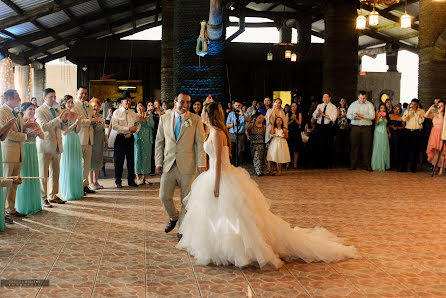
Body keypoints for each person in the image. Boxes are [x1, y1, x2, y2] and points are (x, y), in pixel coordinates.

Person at [177, 101, 358, 269]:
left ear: (209, 115)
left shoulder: (217, 134)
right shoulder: (213, 131)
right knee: (216, 215)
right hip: (216, 175)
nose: (201, 114)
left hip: (221, 177)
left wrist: (216, 186)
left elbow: (217, 163)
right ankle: (216, 244)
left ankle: (239, 249)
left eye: (203, 112)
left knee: (233, 215)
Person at [155, 92, 206, 241]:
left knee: (186, 200)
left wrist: (201, 163)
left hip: (188, 165)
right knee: (164, 196)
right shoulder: (164, 118)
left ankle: (182, 228)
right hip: (169, 164)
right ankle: (174, 216)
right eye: (183, 102)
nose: (186, 105)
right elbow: (159, 142)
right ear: (175, 101)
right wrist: (158, 162)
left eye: (188, 103)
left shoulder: (195, 120)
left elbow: (200, 144)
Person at [0, 90, 40, 220]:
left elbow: (18, 128)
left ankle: (11, 209)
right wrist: (26, 136)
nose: (19, 98)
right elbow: (8, 134)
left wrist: (27, 125)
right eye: (17, 97)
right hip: (9, 152)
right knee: (6, 182)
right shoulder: (2, 112)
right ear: (10, 98)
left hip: (19, 151)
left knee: (15, 182)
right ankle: (2, 212)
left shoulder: (16, 112)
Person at [35, 90, 69, 208]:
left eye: (55, 97)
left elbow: (63, 127)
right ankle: (43, 198)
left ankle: (53, 195)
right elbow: (44, 127)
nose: (54, 99)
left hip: (57, 145)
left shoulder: (56, 110)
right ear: (44, 98)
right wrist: (59, 118)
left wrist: (64, 120)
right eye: (51, 97)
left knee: (56, 172)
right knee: (43, 174)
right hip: (45, 145)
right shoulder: (39, 111)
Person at [15, 102, 44, 215]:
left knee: (33, 176)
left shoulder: (34, 123)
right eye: (30, 109)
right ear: (23, 111)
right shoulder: (20, 122)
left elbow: (42, 136)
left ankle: (34, 203)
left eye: (33, 109)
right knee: (24, 175)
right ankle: (22, 205)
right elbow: (17, 134)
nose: (32, 111)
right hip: (23, 149)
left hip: (33, 151)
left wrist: (37, 129)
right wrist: (26, 127)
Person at [111, 93, 140, 188]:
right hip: (120, 138)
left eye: (129, 100)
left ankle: (131, 180)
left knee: (131, 160)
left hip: (130, 138)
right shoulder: (116, 113)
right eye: (126, 100)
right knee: (119, 161)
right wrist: (128, 128)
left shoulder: (133, 113)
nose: (128, 102)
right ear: (121, 102)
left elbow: (138, 123)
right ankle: (118, 181)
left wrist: (136, 129)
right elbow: (115, 126)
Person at [59, 96, 84, 200]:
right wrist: (74, 124)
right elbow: (64, 132)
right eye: (68, 102)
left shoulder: (76, 114)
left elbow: (78, 131)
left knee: (75, 165)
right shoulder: (62, 116)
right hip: (66, 141)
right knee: (67, 164)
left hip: (75, 140)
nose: (70, 104)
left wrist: (78, 123)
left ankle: (76, 191)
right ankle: (67, 191)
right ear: (64, 103)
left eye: (72, 102)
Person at [73, 86, 95, 195]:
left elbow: (92, 116)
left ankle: (85, 185)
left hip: (89, 137)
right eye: (81, 93)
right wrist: (91, 120)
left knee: (87, 164)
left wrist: (95, 120)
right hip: (80, 137)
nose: (83, 96)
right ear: (77, 93)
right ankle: (77, 185)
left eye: (85, 94)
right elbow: (78, 120)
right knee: (79, 164)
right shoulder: (74, 105)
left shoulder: (89, 105)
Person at [0, 118, 22, 226]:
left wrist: (7, 127)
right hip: (7, 152)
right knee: (4, 183)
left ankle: (8, 210)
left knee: (8, 181)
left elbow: (2, 137)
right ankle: (3, 213)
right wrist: (7, 125)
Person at [347, 91, 375, 171]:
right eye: (361, 98)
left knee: (367, 147)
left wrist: (362, 116)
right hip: (355, 127)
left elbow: (372, 116)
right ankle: (353, 164)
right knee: (354, 146)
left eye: (364, 98)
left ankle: (367, 165)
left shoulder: (370, 104)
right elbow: (348, 115)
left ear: (366, 97)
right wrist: (354, 117)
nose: (362, 100)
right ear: (358, 97)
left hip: (366, 128)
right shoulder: (353, 104)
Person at [312, 93, 337, 168]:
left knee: (328, 145)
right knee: (319, 144)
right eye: (324, 97)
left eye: (327, 97)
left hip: (328, 127)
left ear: (330, 98)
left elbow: (333, 118)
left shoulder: (333, 107)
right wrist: (318, 115)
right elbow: (314, 115)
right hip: (319, 126)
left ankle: (328, 163)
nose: (325, 99)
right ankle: (319, 163)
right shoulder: (320, 106)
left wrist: (324, 115)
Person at [401, 98, 425, 173]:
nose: (413, 106)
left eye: (415, 104)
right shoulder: (407, 110)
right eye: (412, 104)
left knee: (415, 150)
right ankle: (404, 167)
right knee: (405, 150)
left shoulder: (421, 111)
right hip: (408, 131)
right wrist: (408, 111)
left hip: (417, 132)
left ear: (418, 104)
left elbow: (420, 121)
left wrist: (415, 113)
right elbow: (403, 119)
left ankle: (413, 167)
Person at [134, 102, 155, 185]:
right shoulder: (135, 116)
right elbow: (133, 125)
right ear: (136, 108)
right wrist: (139, 120)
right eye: (138, 107)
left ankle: (144, 177)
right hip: (138, 139)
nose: (140, 108)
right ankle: (137, 177)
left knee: (146, 158)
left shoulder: (149, 116)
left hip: (147, 140)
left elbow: (152, 125)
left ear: (144, 108)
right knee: (137, 157)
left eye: (141, 106)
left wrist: (146, 121)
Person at [89, 98, 106, 190]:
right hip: (92, 142)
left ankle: (96, 181)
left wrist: (106, 141)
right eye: (94, 106)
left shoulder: (101, 116)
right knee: (91, 162)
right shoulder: (90, 117)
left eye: (97, 106)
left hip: (100, 142)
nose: (96, 108)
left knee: (98, 161)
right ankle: (91, 182)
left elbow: (104, 130)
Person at [425, 100, 446, 175]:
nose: (440, 107)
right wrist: (431, 108)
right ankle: (436, 166)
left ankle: (442, 168)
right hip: (434, 133)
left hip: (442, 133)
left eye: (441, 105)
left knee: (442, 151)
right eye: (438, 105)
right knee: (435, 150)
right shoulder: (435, 113)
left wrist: (441, 113)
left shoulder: (444, 115)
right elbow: (425, 116)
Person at [226, 100, 250, 165]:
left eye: (239, 105)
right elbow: (227, 125)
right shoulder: (231, 114)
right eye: (236, 105)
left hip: (241, 135)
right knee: (231, 150)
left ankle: (240, 164)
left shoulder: (245, 113)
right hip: (232, 134)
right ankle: (231, 164)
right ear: (233, 106)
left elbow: (248, 120)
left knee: (241, 150)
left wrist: (242, 114)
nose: (237, 107)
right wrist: (234, 124)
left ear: (241, 105)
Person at [371, 104, 391, 172]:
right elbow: (376, 123)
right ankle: (377, 165)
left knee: (384, 147)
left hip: (384, 132)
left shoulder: (386, 115)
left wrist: (389, 132)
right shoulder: (377, 114)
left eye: (384, 108)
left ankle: (384, 164)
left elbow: (386, 125)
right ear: (379, 109)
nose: (383, 109)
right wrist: (378, 116)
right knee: (378, 147)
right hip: (378, 132)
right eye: (381, 108)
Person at [246, 112, 266, 176]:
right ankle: (258, 172)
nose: (261, 119)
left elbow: (264, 134)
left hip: (261, 143)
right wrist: (248, 136)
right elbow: (247, 131)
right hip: (254, 143)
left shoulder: (264, 126)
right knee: (256, 156)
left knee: (261, 157)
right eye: (260, 118)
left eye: (262, 118)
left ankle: (259, 170)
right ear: (256, 118)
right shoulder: (252, 125)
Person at [286, 102, 303, 169]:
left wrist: (295, 118)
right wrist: (292, 119)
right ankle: (288, 164)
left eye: (295, 106)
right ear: (291, 107)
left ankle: (295, 164)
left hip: (296, 132)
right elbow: (286, 123)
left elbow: (299, 123)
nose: (294, 107)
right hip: (290, 132)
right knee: (289, 148)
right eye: (292, 106)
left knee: (296, 149)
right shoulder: (288, 114)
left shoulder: (299, 113)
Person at [336, 98, 350, 166]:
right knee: (340, 142)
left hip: (346, 126)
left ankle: (345, 160)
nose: (343, 102)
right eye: (341, 101)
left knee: (346, 143)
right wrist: (344, 115)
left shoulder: (347, 108)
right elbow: (337, 117)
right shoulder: (338, 108)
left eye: (344, 101)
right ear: (340, 102)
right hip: (340, 125)